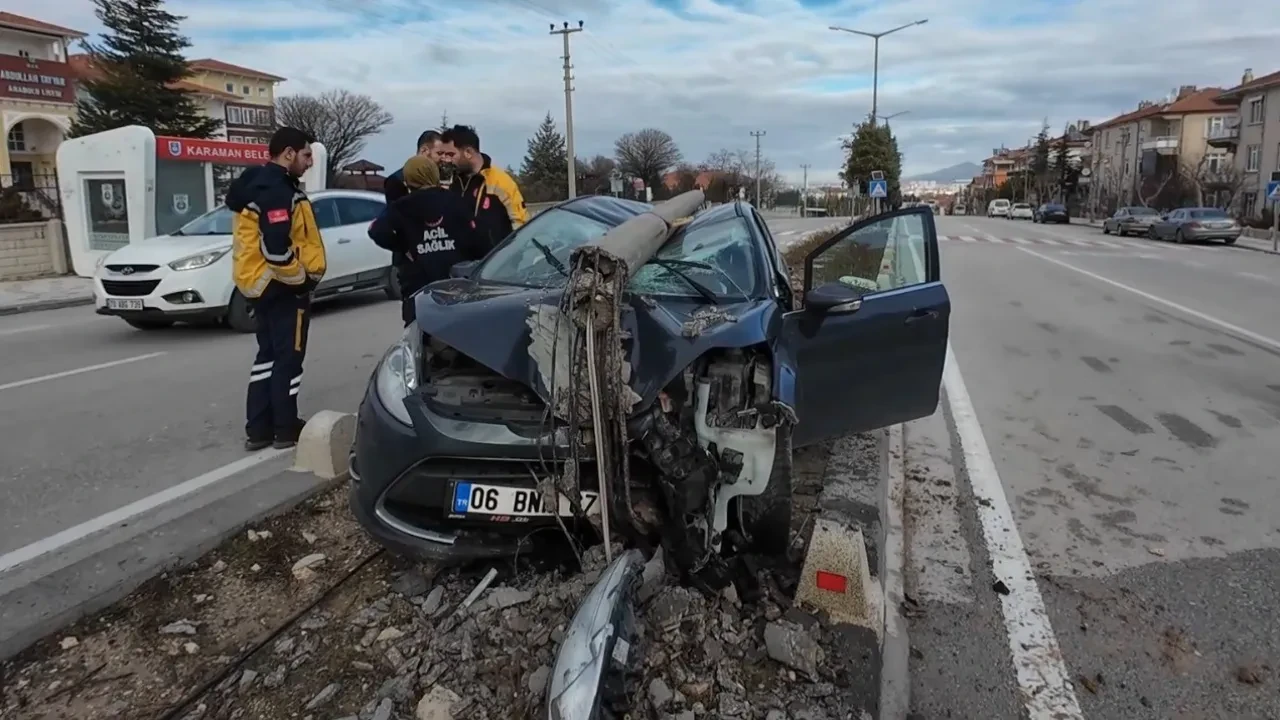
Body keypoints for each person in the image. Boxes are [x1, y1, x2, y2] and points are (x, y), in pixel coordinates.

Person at [226, 127, 326, 451]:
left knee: (267, 357)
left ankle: (258, 430)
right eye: (306, 155)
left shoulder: (257, 186)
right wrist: (302, 281)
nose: (309, 162)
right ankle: (285, 428)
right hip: (281, 288)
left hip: (258, 286)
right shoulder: (277, 192)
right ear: (288, 153)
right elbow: (276, 249)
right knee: (289, 359)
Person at [368, 155, 487, 326]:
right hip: (454, 284)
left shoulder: (401, 206)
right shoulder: (454, 200)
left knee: (418, 338)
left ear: (408, 179)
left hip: (418, 288)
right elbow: (477, 236)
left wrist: (403, 247)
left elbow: (376, 230)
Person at [442, 124, 528, 249]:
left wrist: (513, 258)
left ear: (468, 152)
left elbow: (520, 224)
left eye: (451, 154)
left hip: (497, 263)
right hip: (463, 263)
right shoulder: (456, 182)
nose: (448, 160)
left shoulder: (501, 181)